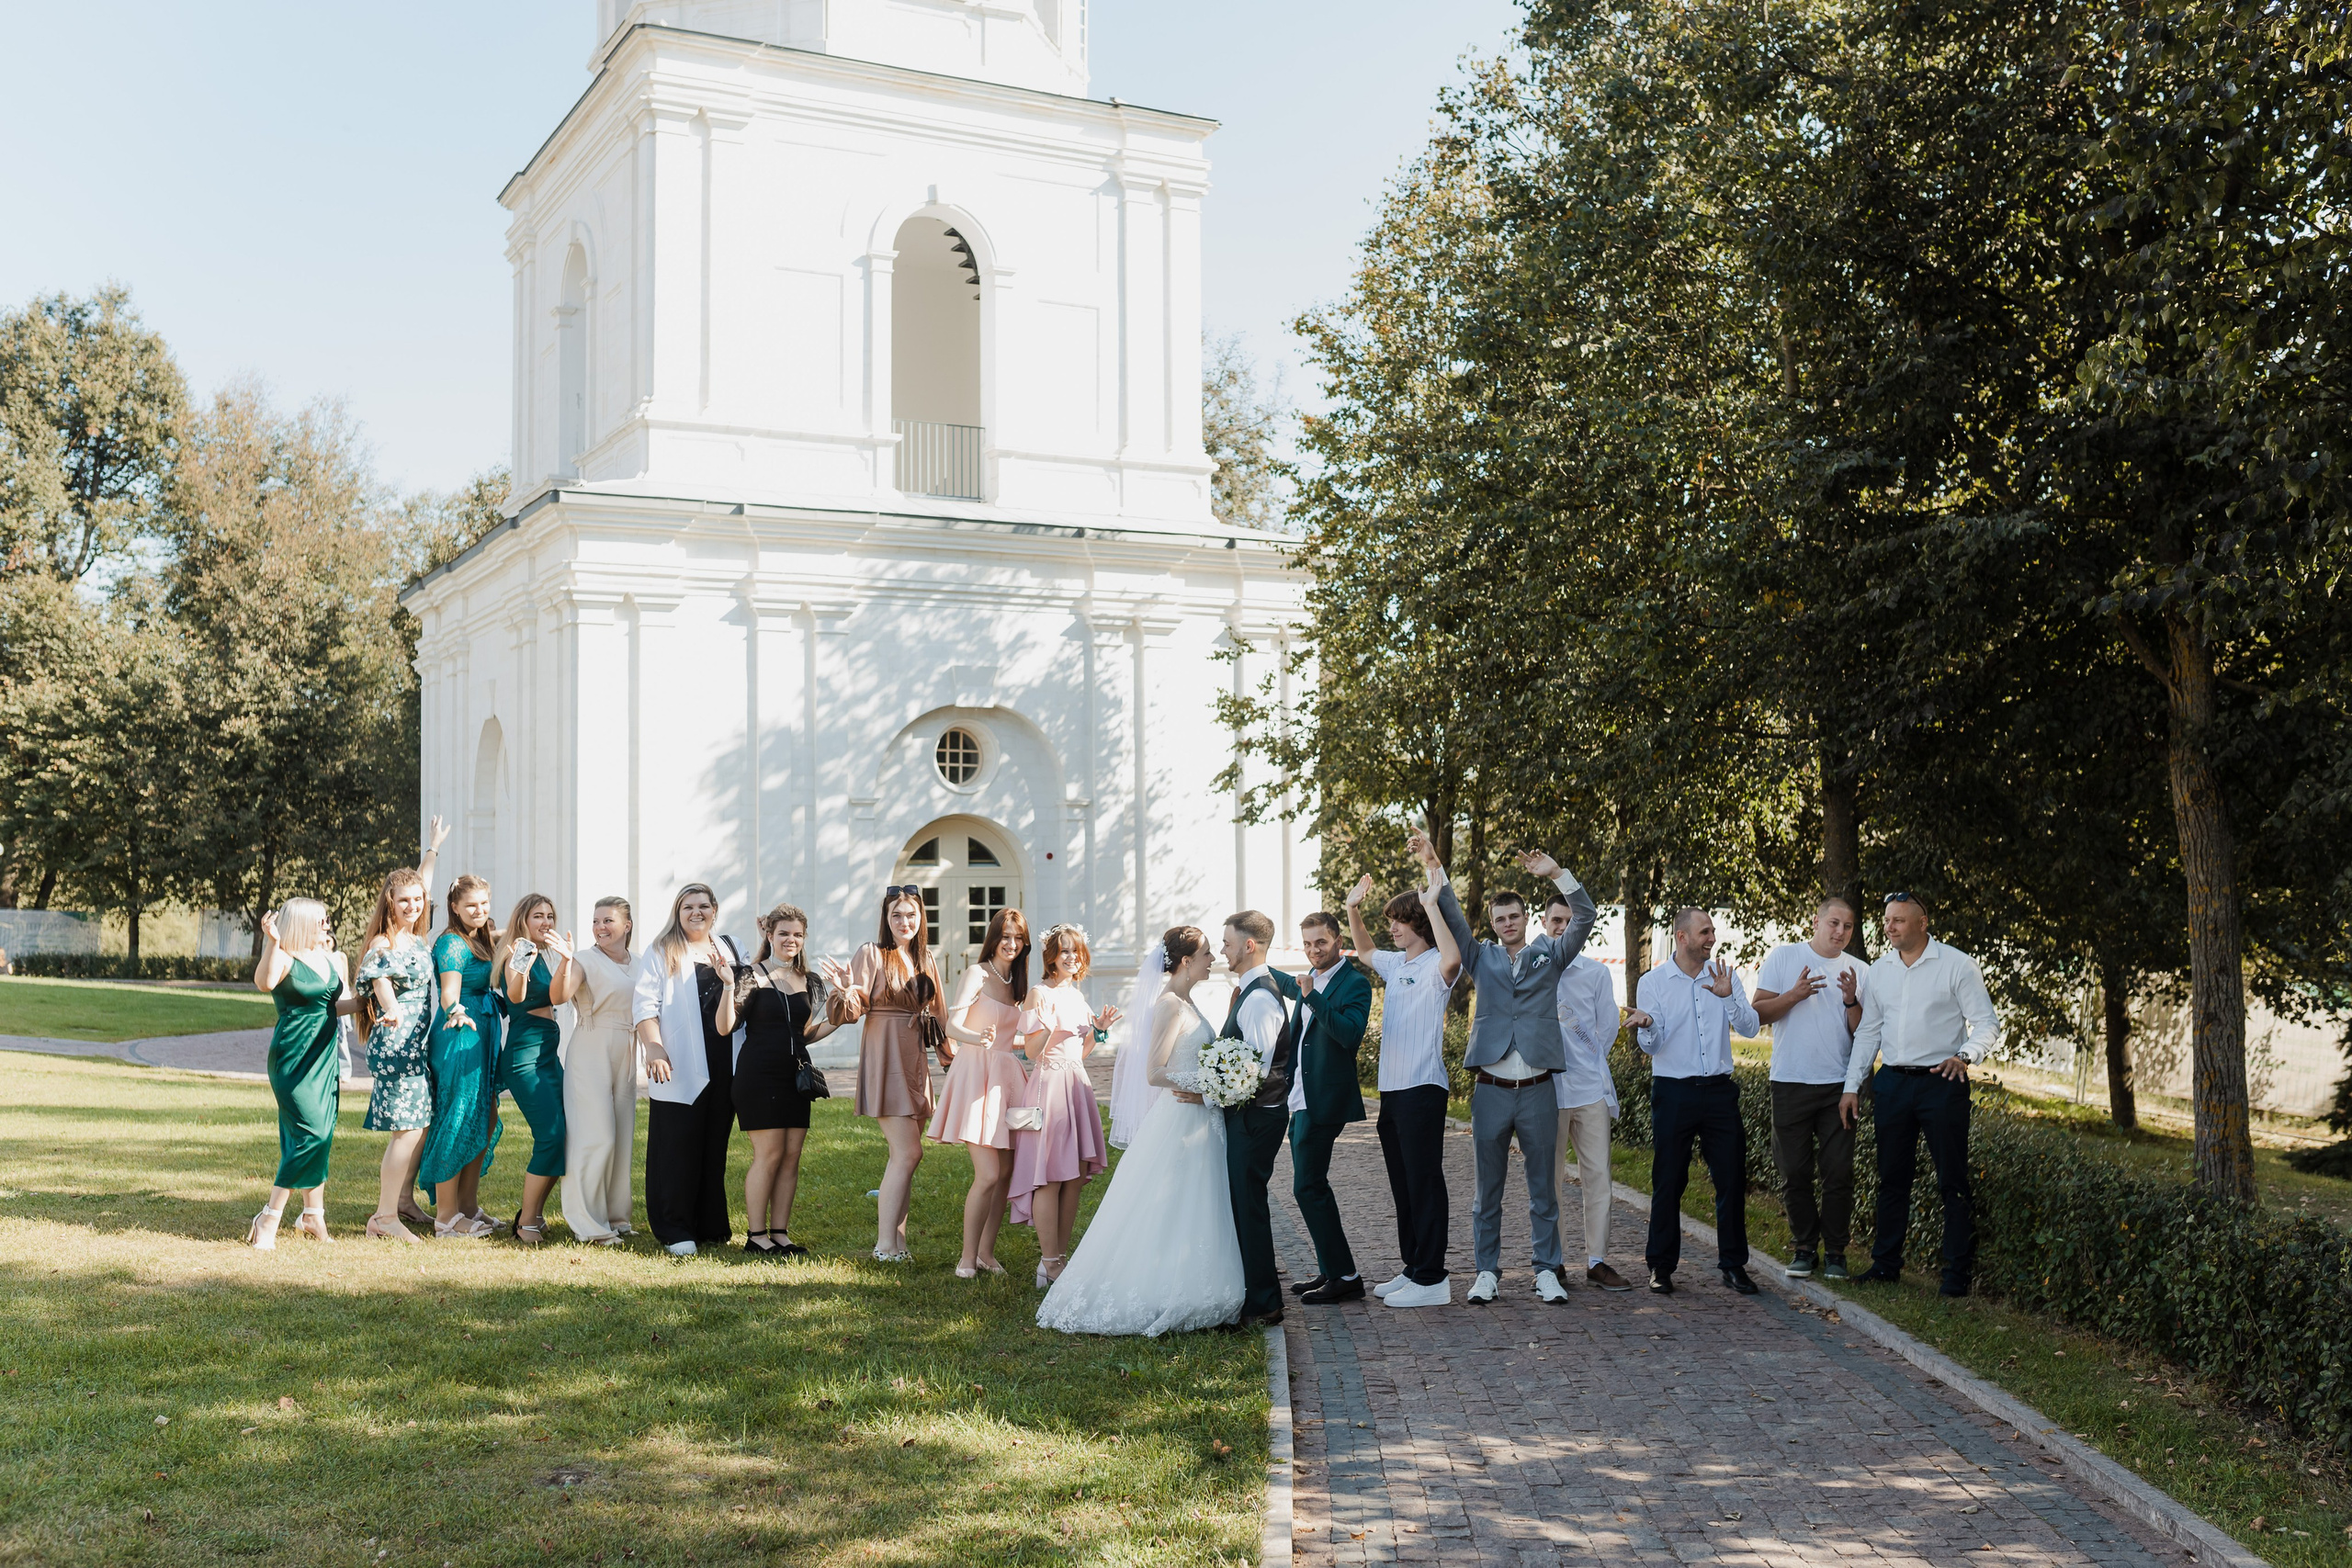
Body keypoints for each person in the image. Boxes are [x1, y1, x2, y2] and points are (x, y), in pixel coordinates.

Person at [1037, 926, 1246, 1335]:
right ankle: (1161, 1290)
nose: (1213, 959)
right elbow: (1155, 1072)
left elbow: (1194, 1052)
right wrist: (1211, 1084)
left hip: (1200, 1120)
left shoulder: (1189, 1000)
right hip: (1181, 1116)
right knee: (1170, 1205)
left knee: (1195, 1202)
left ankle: (1197, 1285)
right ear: (1186, 961)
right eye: (1206, 953)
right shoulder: (1169, 1004)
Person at [1426, 829, 1599, 1306]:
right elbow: (1454, 913)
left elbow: (1585, 914)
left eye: (1514, 916)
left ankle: (1546, 1270)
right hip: (1492, 1088)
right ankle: (1486, 1271)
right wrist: (1433, 862)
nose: (1507, 923)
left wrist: (1557, 874)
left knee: (1546, 1188)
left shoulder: (1552, 953)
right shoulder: (1480, 958)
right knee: (1488, 1191)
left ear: (1527, 919)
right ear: (1494, 923)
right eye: (1500, 918)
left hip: (1540, 1087)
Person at [1840, 892, 2000, 1296]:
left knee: (1952, 1180)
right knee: (1892, 1178)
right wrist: (1852, 1085)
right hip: (1892, 1083)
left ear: (1923, 922)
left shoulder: (1958, 965)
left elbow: (1987, 1024)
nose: (1890, 927)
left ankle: (1956, 1276)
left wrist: (1965, 1056)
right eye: (1887, 920)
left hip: (1941, 1083)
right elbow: (1869, 1032)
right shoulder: (1879, 971)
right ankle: (1885, 1265)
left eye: (1899, 920)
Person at [822, 886, 991, 1262]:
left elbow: (942, 1016)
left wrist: (953, 1059)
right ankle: (884, 1246)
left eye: (911, 914)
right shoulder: (872, 953)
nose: (904, 922)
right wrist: (847, 990)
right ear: (886, 918)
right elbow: (853, 1011)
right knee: (908, 1152)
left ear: (921, 918)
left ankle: (898, 1243)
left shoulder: (924, 957)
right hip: (886, 1056)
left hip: (914, 1060)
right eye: (896, 915)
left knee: (905, 1156)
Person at [1344, 858, 1463, 1310]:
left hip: (1423, 1089)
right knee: (1403, 1184)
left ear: (1418, 924)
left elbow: (1453, 957)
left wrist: (1433, 904)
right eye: (1390, 920)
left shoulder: (1437, 965)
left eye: (1397, 920)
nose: (1391, 927)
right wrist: (1353, 909)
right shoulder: (1397, 964)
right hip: (1392, 1094)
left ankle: (1433, 1277)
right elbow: (1366, 950)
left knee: (1424, 1182)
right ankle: (1414, 1267)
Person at [1634, 908, 1761, 1295]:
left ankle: (1734, 1265)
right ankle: (1660, 1266)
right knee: (1669, 1180)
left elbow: (1751, 1028)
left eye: (1713, 931)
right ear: (1682, 937)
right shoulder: (1653, 982)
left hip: (1720, 1091)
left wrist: (1728, 1000)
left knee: (1731, 1178)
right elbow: (1651, 1046)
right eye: (1705, 932)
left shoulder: (1724, 976)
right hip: (1673, 1091)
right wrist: (1648, 1027)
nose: (1712, 938)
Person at [719, 901, 842, 1258]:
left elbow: (804, 1033)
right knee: (769, 1155)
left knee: (791, 1156)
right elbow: (725, 1027)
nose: (791, 940)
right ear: (769, 935)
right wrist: (729, 987)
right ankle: (756, 1236)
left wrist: (842, 1011)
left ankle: (780, 1233)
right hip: (759, 1075)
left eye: (798, 935)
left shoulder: (810, 980)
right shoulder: (749, 974)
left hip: (796, 1076)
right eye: (784, 933)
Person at [1752, 897, 1867, 1280]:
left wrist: (1851, 1000)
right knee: (1794, 1172)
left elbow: (1863, 1033)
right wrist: (1794, 995)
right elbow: (1758, 1013)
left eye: (1848, 927)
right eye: (1834, 923)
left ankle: (1835, 1251)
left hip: (1838, 1086)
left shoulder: (1860, 971)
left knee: (1838, 1172)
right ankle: (1804, 1247)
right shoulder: (1784, 958)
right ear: (1816, 921)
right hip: (1789, 1082)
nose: (1840, 932)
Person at [632, 883, 744, 1257]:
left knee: (713, 1146)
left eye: (703, 906)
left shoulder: (730, 947)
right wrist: (654, 1048)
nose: (696, 913)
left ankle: (710, 1225)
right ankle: (674, 1228)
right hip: (678, 1062)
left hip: (725, 1061)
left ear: (715, 909)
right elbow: (645, 1006)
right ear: (677, 914)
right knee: (676, 1146)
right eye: (687, 907)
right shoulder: (662, 950)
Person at [1009, 924, 1119, 1287]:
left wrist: (1098, 1030)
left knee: (1072, 1177)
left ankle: (1059, 1258)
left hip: (1076, 1084)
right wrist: (1049, 1026)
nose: (1072, 958)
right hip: (1049, 1088)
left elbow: (1081, 1050)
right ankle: (1049, 1261)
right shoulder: (1038, 994)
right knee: (1049, 1179)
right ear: (1051, 957)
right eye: (1065, 951)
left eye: (1077, 951)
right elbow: (1031, 1051)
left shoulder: (1076, 995)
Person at [246, 898, 357, 1247]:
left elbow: (331, 1006)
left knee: (320, 1133)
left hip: (323, 1056)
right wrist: (272, 941)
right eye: (322, 920)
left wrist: (372, 1002)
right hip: (293, 1057)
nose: (327, 925)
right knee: (311, 1133)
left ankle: (313, 1216)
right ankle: (269, 1216)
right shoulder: (284, 956)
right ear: (303, 922)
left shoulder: (328, 958)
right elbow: (264, 983)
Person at [1544, 895, 1641, 1292]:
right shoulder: (1532, 967)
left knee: (1598, 1176)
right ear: (1544, 921)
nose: (1562, 928)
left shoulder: (1596, 973)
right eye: (1556, 921)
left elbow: (1607, 1029)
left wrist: (1582, 1058)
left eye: (1569, 921)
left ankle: (1597, 1261)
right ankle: (1554, 1262)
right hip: (1545, 1092)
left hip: (1588, 1089)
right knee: (1546, 1181)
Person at [933, 908, 1035, 1278]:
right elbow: (952, 1025)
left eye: (1018, 938)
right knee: (988, 1174)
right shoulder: (977, 973)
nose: (1011, 943)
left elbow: (1016, 1036)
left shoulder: (1018, 983)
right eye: (1005, 936)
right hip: (976, 1072)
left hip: (1007, 1076)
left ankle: (986, 1255)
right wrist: (980, 1037)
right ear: (994, 938)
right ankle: (966, 1256)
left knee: (1005, 1173)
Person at [1284, 910, 1371, 1304]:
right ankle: (1330, 1268)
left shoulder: (1355, 983)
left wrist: (1312, 996)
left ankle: (1346, 1275)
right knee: (1308, 1186)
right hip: (1299, 1097)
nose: (1313, 950)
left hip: (1324, 1100)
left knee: (1309, 1186)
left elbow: (1349, 1035)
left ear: (1338, 940)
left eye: (1320, 942)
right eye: (1306, 944)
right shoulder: (1309, 979)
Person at [1216, 908, 1297, 1326]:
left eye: (1228, 943)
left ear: (1249, 945)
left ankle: (1265, 1302)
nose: (1222, 950)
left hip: (1256, 1116)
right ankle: (1255, 1291)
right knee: (1243, 1203)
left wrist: (1209, 1091)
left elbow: (1255, 1070)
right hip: (1249, 1112)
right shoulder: (1250, 991)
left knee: (1249, 1205)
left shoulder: (1262, 998)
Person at [417, 874, 504, 1238]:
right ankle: (446, 1216)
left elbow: (507, 935)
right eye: (471, 905)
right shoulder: (452, 943)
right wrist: (456, 1011)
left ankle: (468, 1206)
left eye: (484, 904)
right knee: (456, 1116)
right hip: (460, 1034)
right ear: (454, 907)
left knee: (483, 1115)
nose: (480, 911)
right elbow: (449, 992)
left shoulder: (481, 937)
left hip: (483, 1033)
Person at [357, 866, 437, 1242]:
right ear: (390, 900)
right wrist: (390, 1007)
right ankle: (384, 1218)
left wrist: (433, 849)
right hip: (395, 1044)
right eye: (404, 899)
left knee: (418, 1125)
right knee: (405, 1131)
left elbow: (422, 884)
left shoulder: (415, 938)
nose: (413, 905)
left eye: (418, 899)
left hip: (416, 1044)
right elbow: (381, 981)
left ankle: (402, 1201)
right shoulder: (383, 944)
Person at [492, 895, 577, 1245]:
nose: (546, 922)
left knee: (562, 1136)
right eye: (538, 916)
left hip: (547, 1055)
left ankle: (536, 1215)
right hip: (525, 1058)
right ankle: (526, 1221)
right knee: (551, 1135)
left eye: (550, 916)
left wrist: (565, 961)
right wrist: (522, 963)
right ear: (524, 919)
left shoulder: (543, 954)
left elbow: (558, 997)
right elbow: (515, 994)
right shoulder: (521, 951)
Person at [561, 896, 641, 1246]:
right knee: (597, 1136)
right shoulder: (582, 959)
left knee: (622, 1136)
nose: (600, 927)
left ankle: (615, 1215)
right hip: (591, 1046)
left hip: (628, 1046)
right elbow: (558, 995)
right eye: (596, 921)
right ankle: (588, 1223)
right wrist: (565, 962)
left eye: (608, 921)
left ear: (627, 926)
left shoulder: (640, 963)